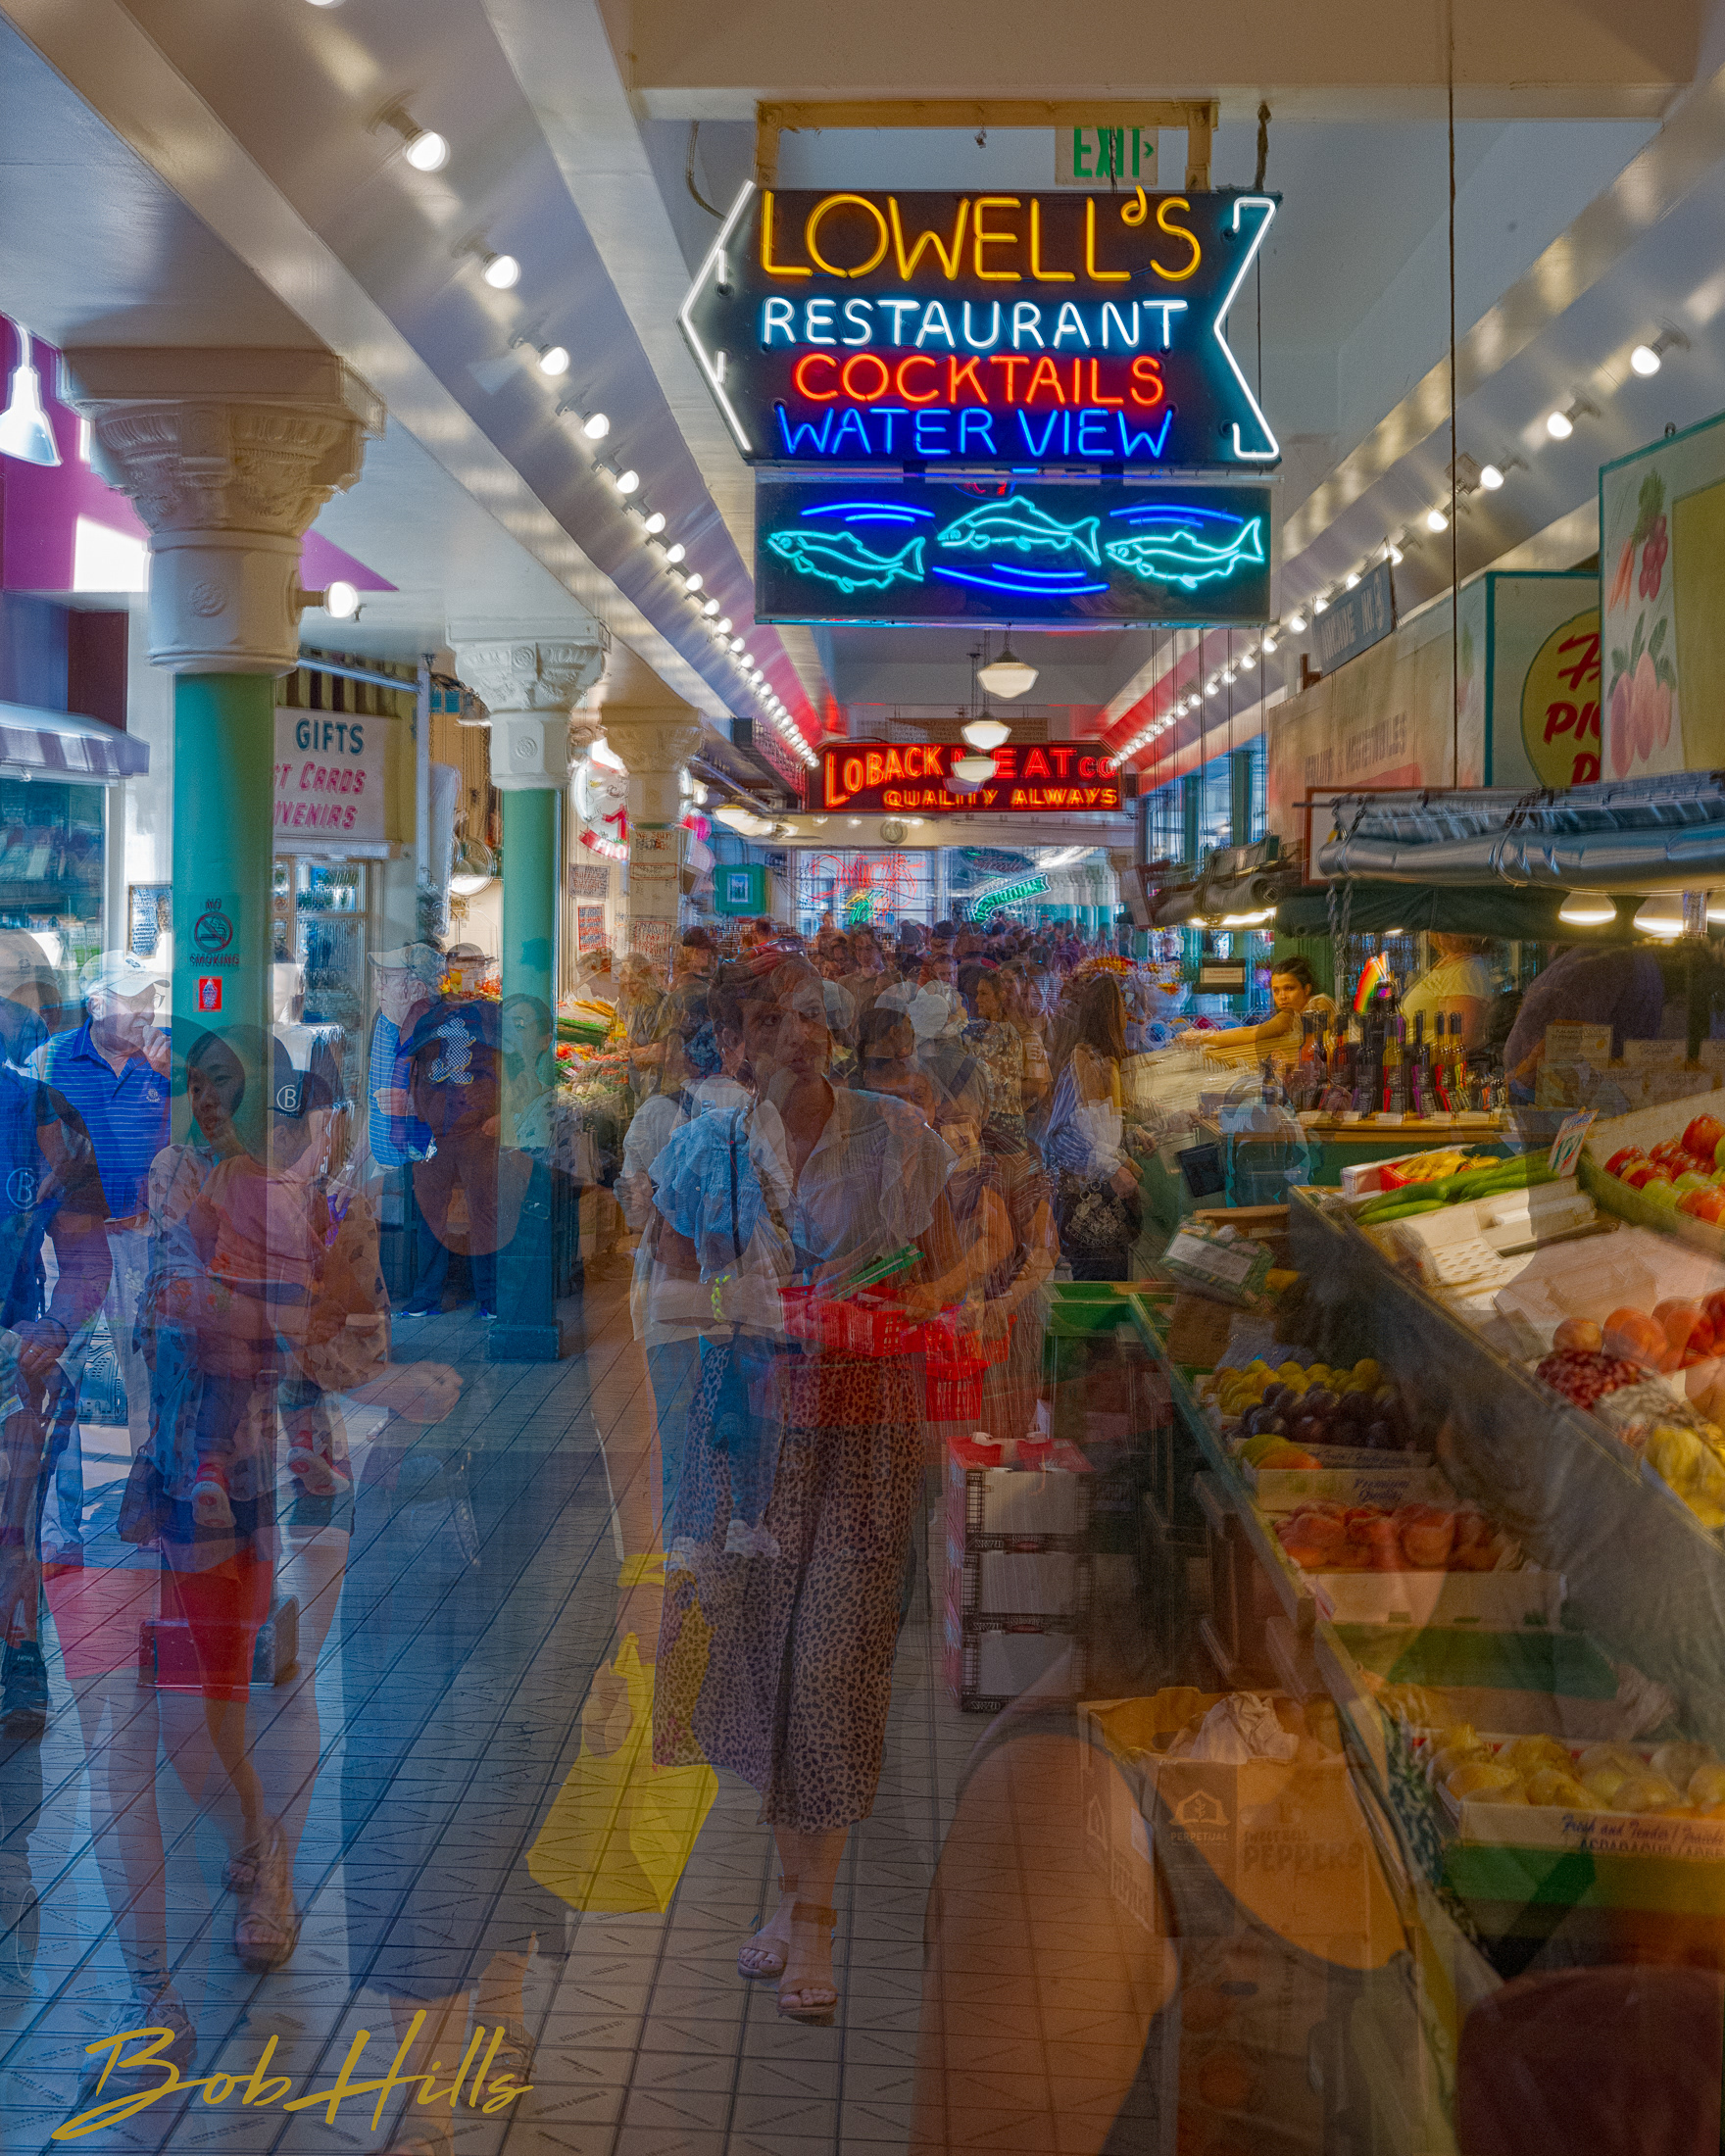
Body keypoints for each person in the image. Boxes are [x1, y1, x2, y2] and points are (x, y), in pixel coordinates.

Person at [650, 956, 967, 2023]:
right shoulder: (702, 1153)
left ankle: (815, 1916)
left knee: (831, 1661)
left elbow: (954, 1268)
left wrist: (907, 1307)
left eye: (802, 1016)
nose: (787, 1034)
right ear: (730, 1046)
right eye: (759, 1020)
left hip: (863, 1435)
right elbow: (665, 1295)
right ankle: (793, 1897)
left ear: (827, 1032)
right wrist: (736, 1307)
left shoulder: (898, 1139)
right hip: (747, 1441)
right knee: (758, 1673)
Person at [36, 950, 171, 1563]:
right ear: (97, 1004)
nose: (146, 1010)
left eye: (151, 998)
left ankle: (152, 1511)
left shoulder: (165, 1058)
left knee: (150, 1377)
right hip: (71, 1243)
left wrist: (177, 1078)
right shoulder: (53, 1060)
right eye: (132, 999)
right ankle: (57, 1530)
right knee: (58, 1372)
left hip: (144, 1240)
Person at [1042, 972, 1141, 1281]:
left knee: (1110, 1279)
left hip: (1103, 1204)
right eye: (1123, 1006)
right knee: (1097, 1287)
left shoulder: (1104, 1062)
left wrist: (1133, 1137)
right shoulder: (1081, 1063)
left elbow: (1099, 1132)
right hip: (1083, 1202)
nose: (1127, 1016)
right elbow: (1057, 1137)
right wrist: (1110, 1167)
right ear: (1110, 1013)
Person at [1178, 953, 1332, 1065]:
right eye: (1276, 990)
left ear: (1306, 989)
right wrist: (1204, 1038)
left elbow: (1325, 1052)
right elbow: (1252, 1032)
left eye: (1289, 988)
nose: (1282, 996)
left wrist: (1291, 1062)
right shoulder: (1290, 1016)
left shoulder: (1318, 1004)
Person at [1399, 933, 1498, 1053]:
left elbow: (1458, 1041)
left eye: (1451, 929)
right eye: (1439, 927)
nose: (1442, 933)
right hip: (1418, 1058)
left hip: (1431, 1064)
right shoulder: (1449, 963)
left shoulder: (1465, 971)